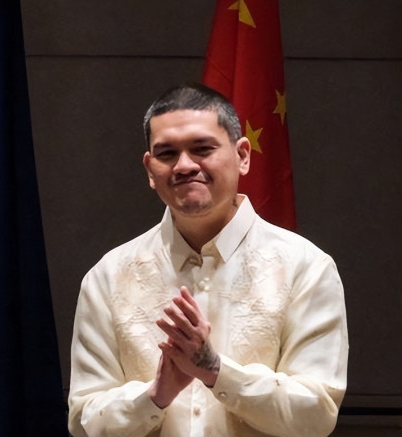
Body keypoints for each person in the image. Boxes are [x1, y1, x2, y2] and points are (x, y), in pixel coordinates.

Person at [67, 83, 348, 437]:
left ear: (242, 155)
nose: (184, 165)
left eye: (202, 149)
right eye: (167, 153)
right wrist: (154, 396)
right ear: (150, 169)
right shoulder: (108, 276)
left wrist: (216, 371)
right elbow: (83, 422)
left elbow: (316, 415)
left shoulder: (305, 267)